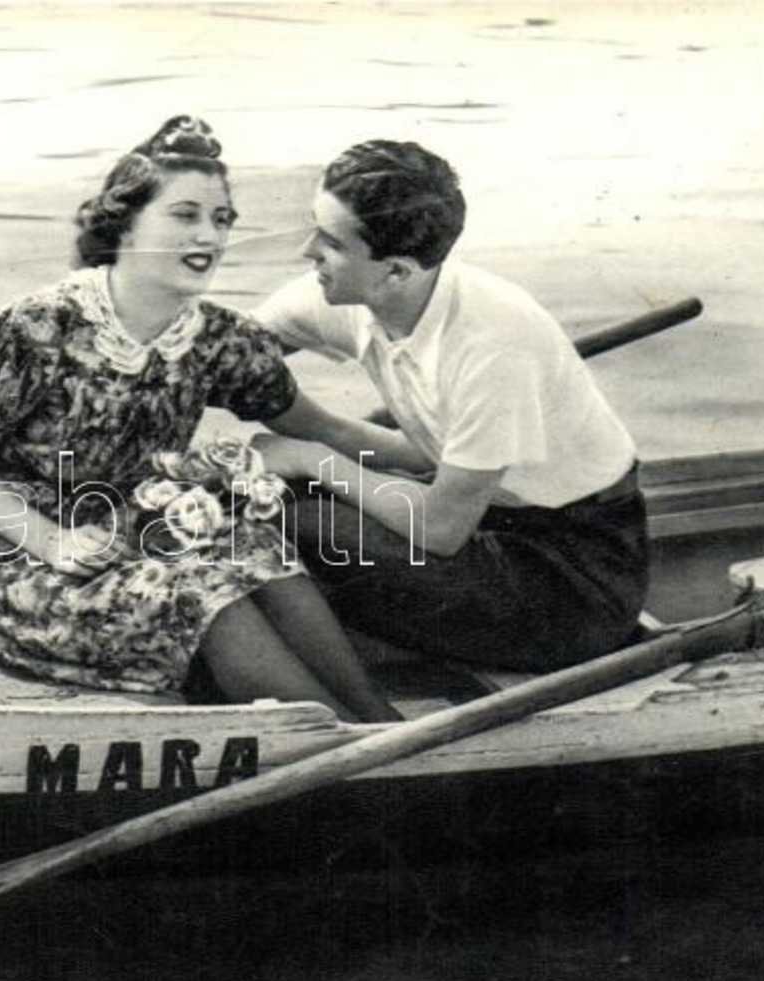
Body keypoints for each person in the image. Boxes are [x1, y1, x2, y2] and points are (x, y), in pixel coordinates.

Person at [0, 116, 401, 722]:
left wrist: (440, 461)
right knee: (199, 592)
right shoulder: (38, 329)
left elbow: (327, 430)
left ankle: (380, 724)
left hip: (132, 525)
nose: (209, 235)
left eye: (221, 219)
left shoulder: (219, 340)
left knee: (254, 547)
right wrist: (55, 542)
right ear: (125, 221)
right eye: (185, 214)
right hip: (18, 553)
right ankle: (337, 742)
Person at [249, 140, 648, 672]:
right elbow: (220, 351)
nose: (307, 251)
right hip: (492, 516)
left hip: (572, 579)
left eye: (330, 242)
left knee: (293, 517)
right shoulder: (359, 289)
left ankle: (335, 671)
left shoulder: (493, 343)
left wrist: (309, 457)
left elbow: (440, 528)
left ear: (395, 271)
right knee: (258, 492)